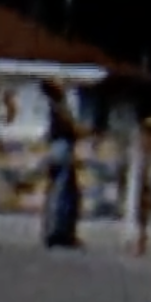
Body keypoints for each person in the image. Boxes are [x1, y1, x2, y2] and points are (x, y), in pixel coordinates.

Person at [39, 78, 83, 248]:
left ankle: (56, 231)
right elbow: (69, 124)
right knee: (61, 192)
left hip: (56, 148)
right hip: (62, 147)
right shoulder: (57, 105)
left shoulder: (54, 104)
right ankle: (58, 232)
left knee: (59, 191)